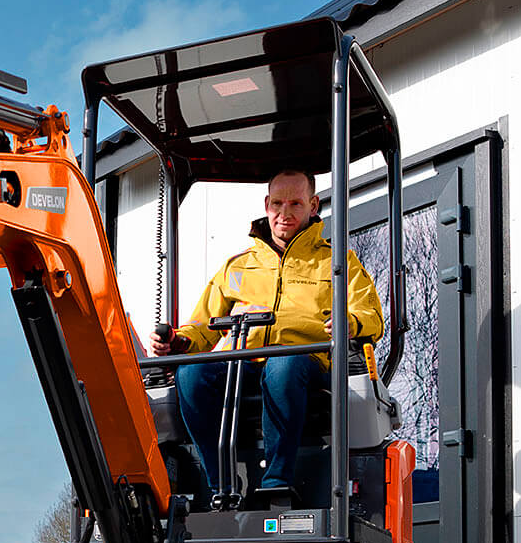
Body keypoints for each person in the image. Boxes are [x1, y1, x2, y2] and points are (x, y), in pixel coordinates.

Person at [151, 168, 382, 508]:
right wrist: (179, 342)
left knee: (283, 365)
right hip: (244, 362)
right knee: (192, 374)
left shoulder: (336, 262)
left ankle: (277, 482)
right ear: (266, 204)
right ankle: (219, 485)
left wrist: (350, 322)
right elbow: (200, 326)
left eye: (295, 204)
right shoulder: (238, 266)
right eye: (277, 204)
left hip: (306, 363)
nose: (284, 213)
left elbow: (371, 316)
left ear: (313, 205)